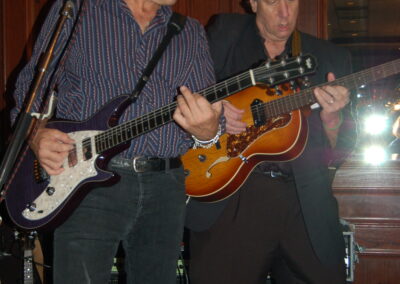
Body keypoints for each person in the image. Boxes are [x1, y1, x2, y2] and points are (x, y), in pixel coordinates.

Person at [11, 0, 222, 283]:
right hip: (85, 183)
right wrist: (35, 134)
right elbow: (30, 88)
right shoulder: (78, 9)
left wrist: (208, 130)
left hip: (165, 183)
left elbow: (208, 116)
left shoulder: (190, 31)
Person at [185, 0, 357, 283]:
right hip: (235, 194)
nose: (284, 13)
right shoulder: (223, 35)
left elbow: (340, 150)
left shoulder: (330, 57)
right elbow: (184, 97)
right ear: (253, 2)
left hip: (305, 204)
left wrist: (331, 119)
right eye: (272, 1)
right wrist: (216, 109)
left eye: (291, 1)